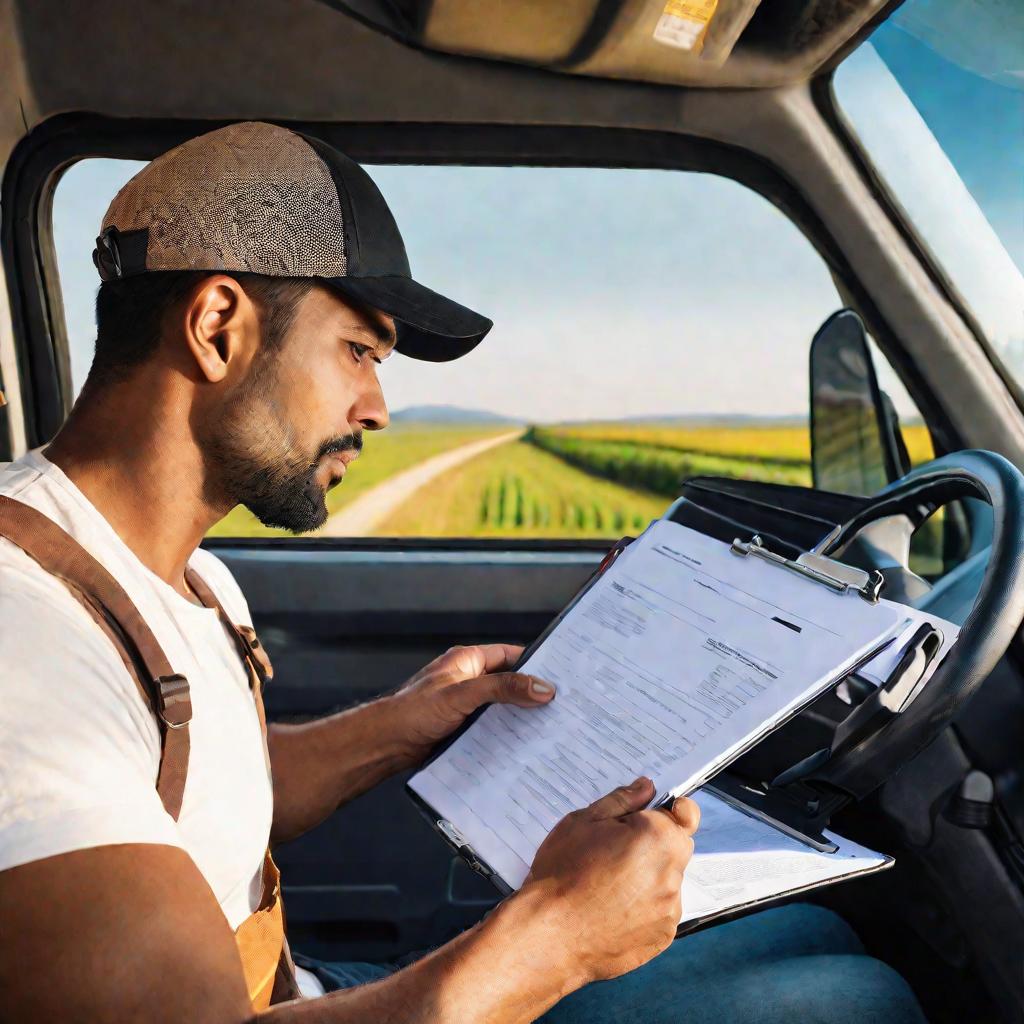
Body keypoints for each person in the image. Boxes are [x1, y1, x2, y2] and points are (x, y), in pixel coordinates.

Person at [0, 122, 924, 1023]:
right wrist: (557, 935)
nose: (378, 407)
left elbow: (193, 798)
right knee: (859, 1001)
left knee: (809, 933)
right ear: (216, 326)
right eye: (358, 351)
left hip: (305, 984)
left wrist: (401, 727)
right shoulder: (24, 637)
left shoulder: (187, 574)